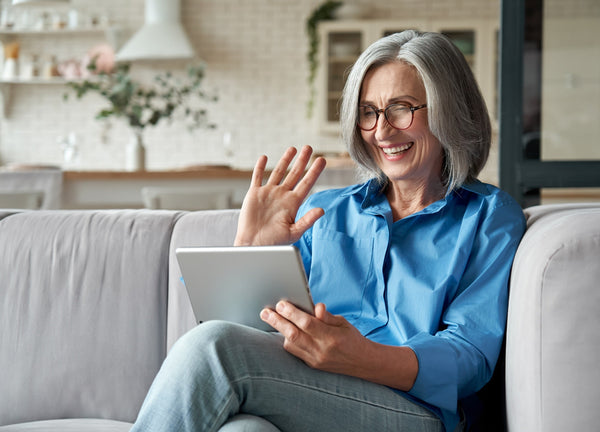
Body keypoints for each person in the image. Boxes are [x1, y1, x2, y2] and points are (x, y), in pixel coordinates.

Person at [131, 30, 526, 432]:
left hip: (414, 410)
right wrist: (249, 250)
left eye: (401, 108)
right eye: (368, 112)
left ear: (449, 110)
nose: (382, 131)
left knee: (214, 348)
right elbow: (251, 332)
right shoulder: (328, 209)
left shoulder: (488, 216)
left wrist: (361, 357)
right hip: (310, 394)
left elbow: (471, 357)